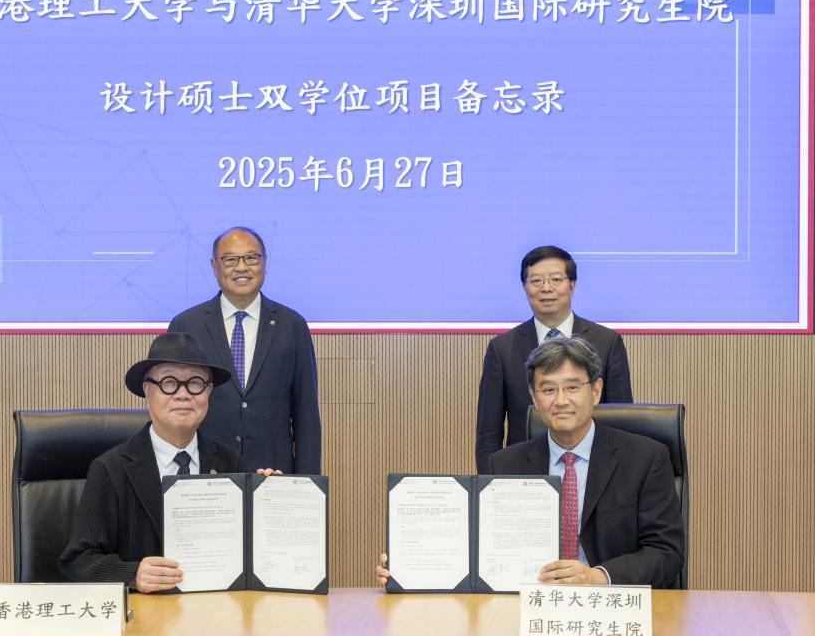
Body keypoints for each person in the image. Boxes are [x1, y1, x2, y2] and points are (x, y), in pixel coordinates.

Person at [379, 336, 683, 589]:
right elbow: (477, 552)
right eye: (548, 389)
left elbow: (666, 553)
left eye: (572, 387)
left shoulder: (645, 458)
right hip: (526, 606)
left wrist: (597, 577)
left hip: (609, 607)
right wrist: (409, 566)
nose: (561, 400)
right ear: (534, 397)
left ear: (596, 390)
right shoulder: (505, 466)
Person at [59, 332, 239, 592]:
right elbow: (78, 560)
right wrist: (132, 574)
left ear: (208, 391)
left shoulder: (231, 462)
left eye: (195, 382)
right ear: (147, 390)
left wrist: (268, 498)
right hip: (146, 612)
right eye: (169, 382)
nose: (183, 394)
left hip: (215, 608)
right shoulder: (111, 468)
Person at [168, 226, 322, 474]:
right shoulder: (186, 326)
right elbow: (173, 410)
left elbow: (306, 415)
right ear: (214, 266)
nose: (241, 267)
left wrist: (307, 484)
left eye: (251, 258)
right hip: (206, 474)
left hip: (274, 475)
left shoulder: (292, 325)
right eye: (230, 259)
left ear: (265, 262)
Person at [475, 245, 633, 474]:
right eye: (536, 281)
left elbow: (622, 422)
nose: (546, 288)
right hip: (524, 475)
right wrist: (491, 487)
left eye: (556, 279)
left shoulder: (607, 342)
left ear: (572, 285)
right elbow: (488, 435)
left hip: (595, 473)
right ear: (524, 288)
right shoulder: (502, 349)